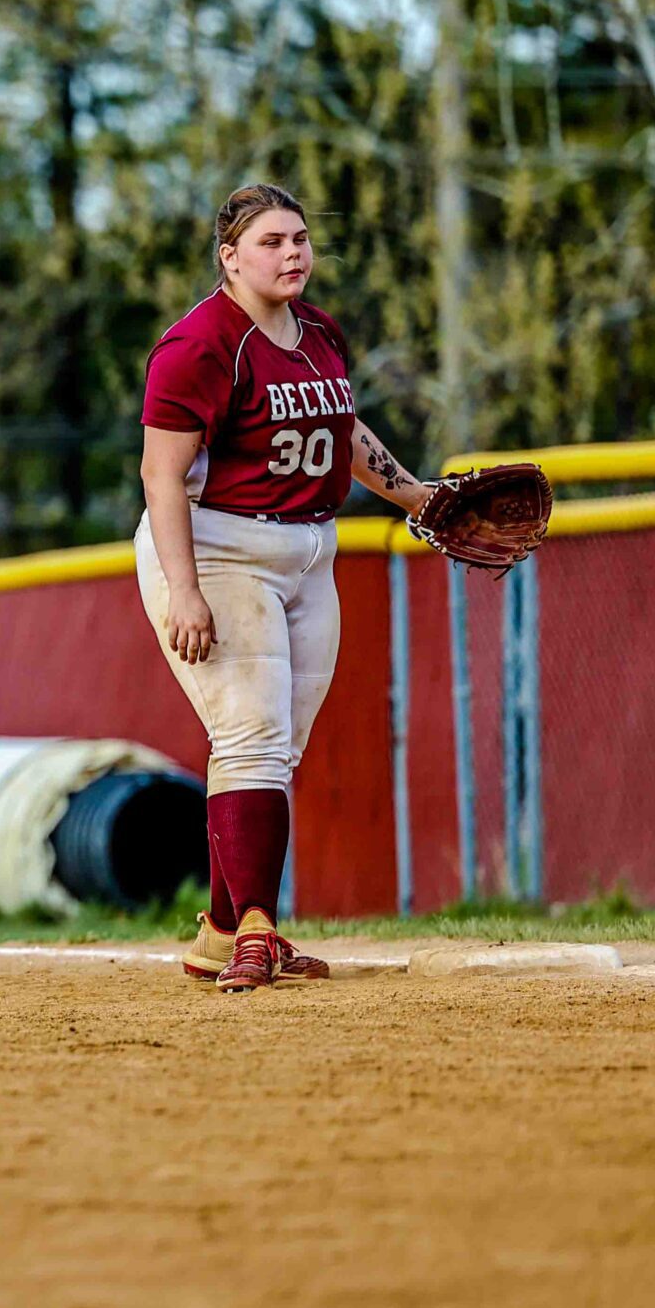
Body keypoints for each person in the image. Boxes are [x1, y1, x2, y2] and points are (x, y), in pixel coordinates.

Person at [136, 184, 437, 993]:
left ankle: (222, 931)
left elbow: (342, 429)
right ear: (230, 257)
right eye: (271, 241)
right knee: (252, 740)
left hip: (307, 549)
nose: (293, 252)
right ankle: (258, 931)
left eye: (300, 237)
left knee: (275, 748)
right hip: (218, 546)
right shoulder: (198, 344)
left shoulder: (319, 333)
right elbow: (160, 476)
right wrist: (184, 588)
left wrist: (416, 497)